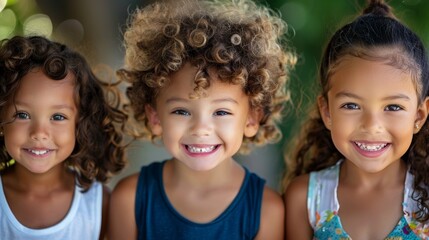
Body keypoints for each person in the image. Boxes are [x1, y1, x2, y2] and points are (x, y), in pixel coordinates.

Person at [108, 0, 296, 239]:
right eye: (182, 111)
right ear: (155, 117)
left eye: (221, 112)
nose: (200, 129)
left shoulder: (267, 210)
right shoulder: (129, 199)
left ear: (251, 119)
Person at [283, 0, 429, 239]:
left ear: (419, 115)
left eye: (393, 106)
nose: (371, 125)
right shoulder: (306, 199)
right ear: (327, 112)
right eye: (351, 105)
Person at [0, 35, 127, 239]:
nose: (39, 133)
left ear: (81, 124)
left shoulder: (99, 205)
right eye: (22, 115)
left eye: (58, 117)